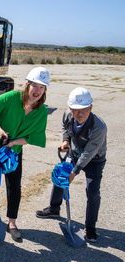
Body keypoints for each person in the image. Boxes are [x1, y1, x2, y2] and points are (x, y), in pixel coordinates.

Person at [0, 67, 50, 242]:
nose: (37, 91)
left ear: (45, 90)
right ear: (27, 85)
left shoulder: (41, 111)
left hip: (12, 148)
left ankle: (12, 223)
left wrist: (13, 143)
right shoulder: (11, 97)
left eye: (42, 87)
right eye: (34, 86)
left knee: (14, 185)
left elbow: (32, 137)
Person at [36, 87, 107, 242]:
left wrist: (74, 172)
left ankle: (90, 227)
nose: (79, 114)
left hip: (94, 158)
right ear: (70, 108)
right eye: (75, 110)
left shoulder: (99, 127)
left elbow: (89, 153)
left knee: (93, 192)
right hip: (74, 153)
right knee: (61, 178)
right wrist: (66, 140)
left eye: (84, 110)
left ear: (91, 107)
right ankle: (54, 208)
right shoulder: (68, 115)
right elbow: (65, 128)